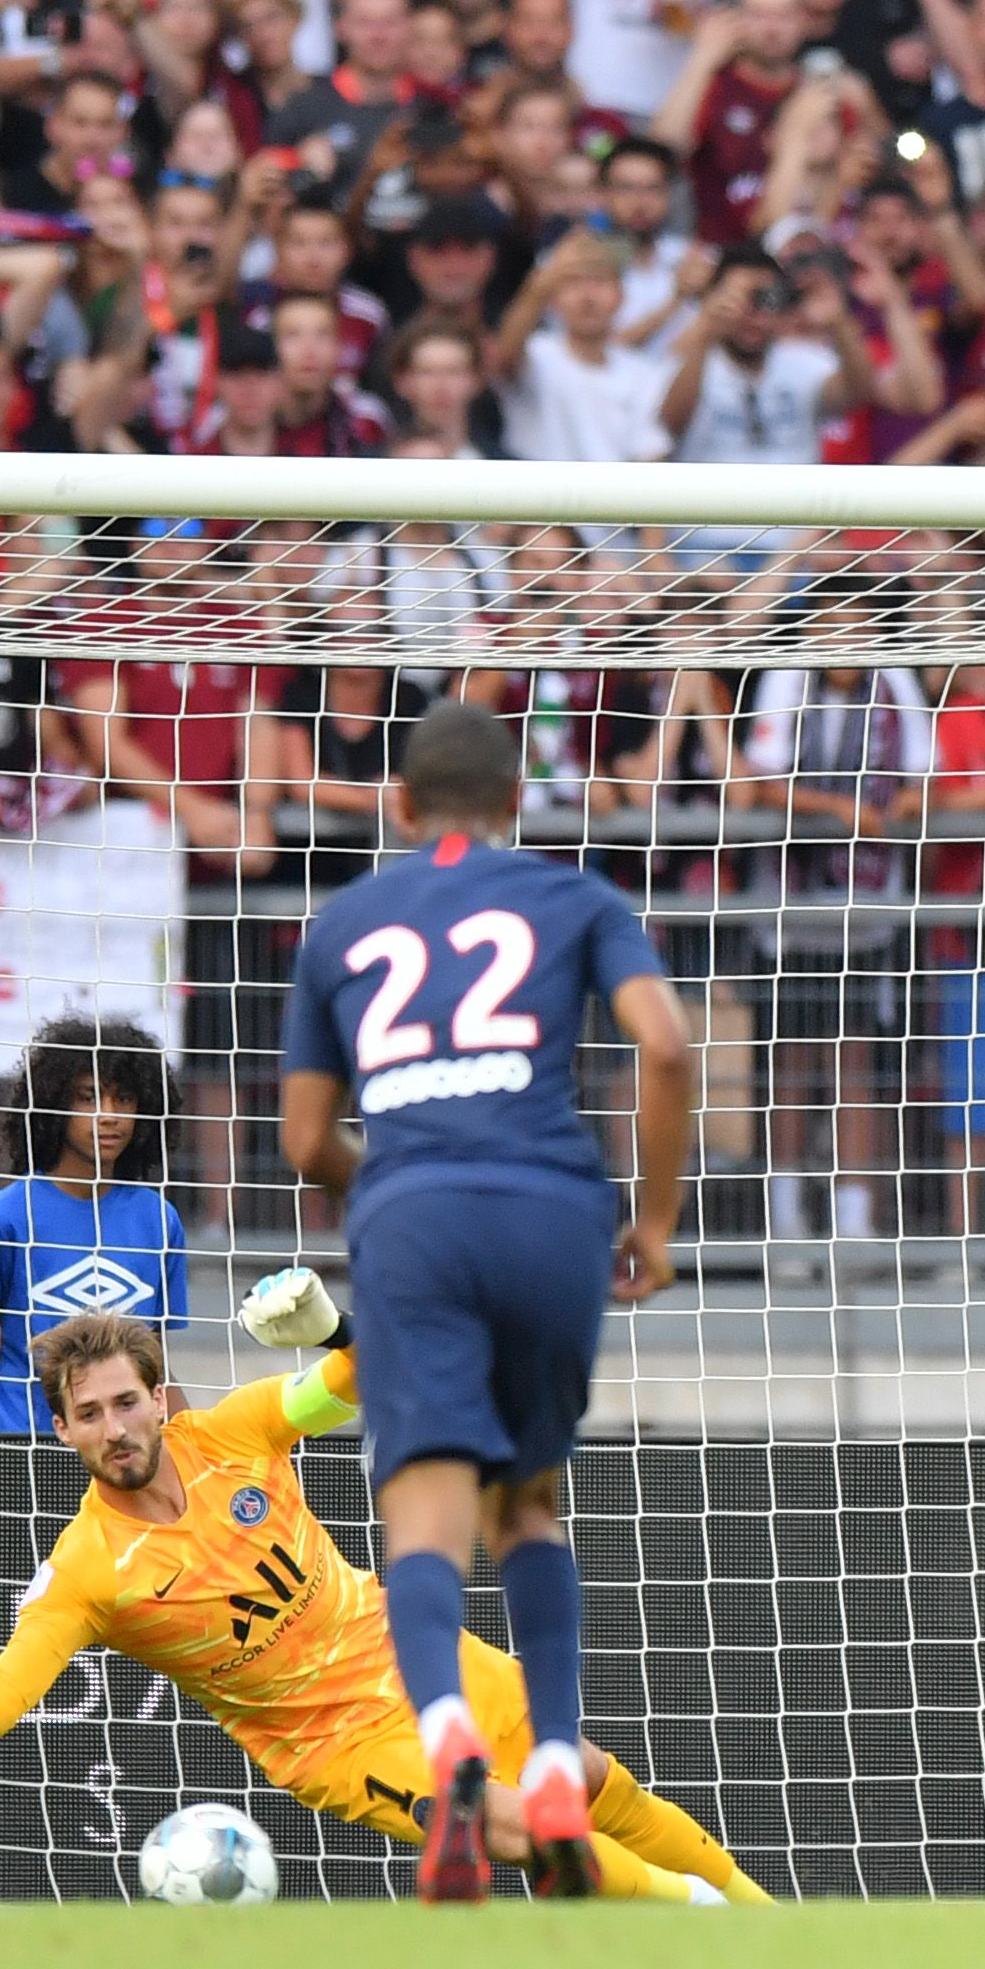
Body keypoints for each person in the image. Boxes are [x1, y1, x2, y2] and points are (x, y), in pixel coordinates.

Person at [0, 1279, 764, 1903]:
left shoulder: (235, 1433)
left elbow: (362, 1377)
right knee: (514, 1826)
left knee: (591, 1781)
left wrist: (336, 1330)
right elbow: (10, 1687)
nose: (114, 1428)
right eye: (88, 1415)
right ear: (61, 1432)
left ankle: (759, 1915)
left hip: (419, 1661)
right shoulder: (87, 1571)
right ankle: (711, 1925)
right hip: (337, 1742)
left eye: (127, 1402)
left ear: (158, 1395)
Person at [279, 699, 696, 1903]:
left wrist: (400, 1183)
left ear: (402, 807)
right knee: (529, 1504)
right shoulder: (575, 897)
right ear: (520, 803)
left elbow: (307, 1139)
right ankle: (556, 1759)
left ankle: (459, 1744)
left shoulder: (343, 921)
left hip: (416, 1216)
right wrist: (656, 1222)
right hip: (553, 1211)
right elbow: (665, 1046)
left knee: (426, 1519)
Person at [0, 1014, 189, 1435]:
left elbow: (154, 1361)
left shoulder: (159, 1219)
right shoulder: (5, 1216)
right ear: (54, 1105)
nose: (109, 1115)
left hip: (122, 1447)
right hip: (21, 1443)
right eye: (89, 1098)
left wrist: (195, 1440)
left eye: (124, 1099)